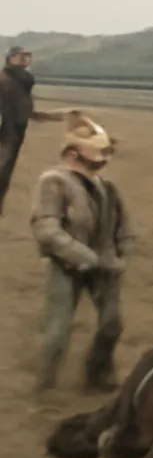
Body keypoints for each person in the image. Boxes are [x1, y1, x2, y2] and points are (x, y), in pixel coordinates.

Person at [29, 112, 134, 395]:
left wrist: (122, 254)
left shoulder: (106, 187)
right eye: (99, 152)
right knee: (58, 330)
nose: (103, 159)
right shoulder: (54, 182)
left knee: (112, 324)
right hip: (66, 266)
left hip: (105, 265)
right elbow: (46, 228)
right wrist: (82, 256)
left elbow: (123, 224)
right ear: (74, 153)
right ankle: (45, 384)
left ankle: (98, 371)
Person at [0, 46, 68, 215]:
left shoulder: (24, 81)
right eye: (20, 56)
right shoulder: (3, 79)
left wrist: (50, 116)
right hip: (5, 131)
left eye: (26, 56)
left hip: (16, 132)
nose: (24, 59)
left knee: (5, 171)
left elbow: (25, 109)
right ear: (11, 58)